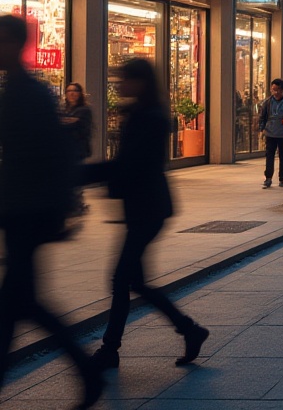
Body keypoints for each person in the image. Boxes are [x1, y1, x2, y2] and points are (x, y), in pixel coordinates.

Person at [0, 15, 103, 409]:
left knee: (17, 304)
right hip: (22, 209)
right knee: (20, 304)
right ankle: (87, 373)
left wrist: (60, 206)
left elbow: (54, 153)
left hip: (28, 211)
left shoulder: (28, 93)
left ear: (13, 44)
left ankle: (87, 373)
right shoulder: (20, 91)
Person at [84, 58, 208, 372]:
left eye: (124, 78)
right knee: (132, 281)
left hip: (147, 209)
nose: (119, 84)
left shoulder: (148, 117)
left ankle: (111, 350)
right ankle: (189, 330)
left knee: (122, 279)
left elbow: (130, 165)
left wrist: (78, 175)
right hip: (144, 208)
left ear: (140, 82)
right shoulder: (143, 114)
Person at [61, 82, 93, 214]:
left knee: (74, 176)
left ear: (80, 94)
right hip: (65, 150)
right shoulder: (65, 109)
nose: (72, 94)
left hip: (78, 149)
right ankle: (75, 203)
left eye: (75, 91)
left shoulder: (84, 110)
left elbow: (75, 124)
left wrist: (67, 121)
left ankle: (76, 205)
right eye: (69, 91)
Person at [259, 78, 283, 188]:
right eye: (273, 90)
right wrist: (262, 129)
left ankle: (282, 178)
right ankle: (268, 177)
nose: (275, 93)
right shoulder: (268, 101)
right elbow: (263, 116)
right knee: (269, 155)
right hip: (270, 132)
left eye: (278, 90)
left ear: (282, 90)